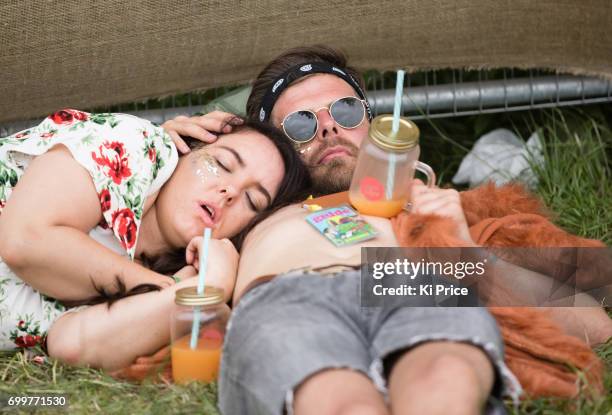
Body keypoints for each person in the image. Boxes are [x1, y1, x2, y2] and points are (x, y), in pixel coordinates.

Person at [159, 45, 611, 415]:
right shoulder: (247, 206)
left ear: (373, 123)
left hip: (403, 277)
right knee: (341, 403)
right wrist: (162, 154)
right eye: (300, 123)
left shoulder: (433, 203)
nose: (329, 126)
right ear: (271, 148)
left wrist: (465, 255)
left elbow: (593, 322)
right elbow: (134, 221)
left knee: (447, 378)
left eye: (346, 110)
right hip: (286, 292)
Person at [0, 109, 310, 365]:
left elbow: (72, 344)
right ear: (186, 147)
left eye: (252, 201)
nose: (230, 192)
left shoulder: (181, 273)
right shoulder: (138, 144)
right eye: (222, 164)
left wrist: (205, 287)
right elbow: (26, 240)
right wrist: (176, 291)